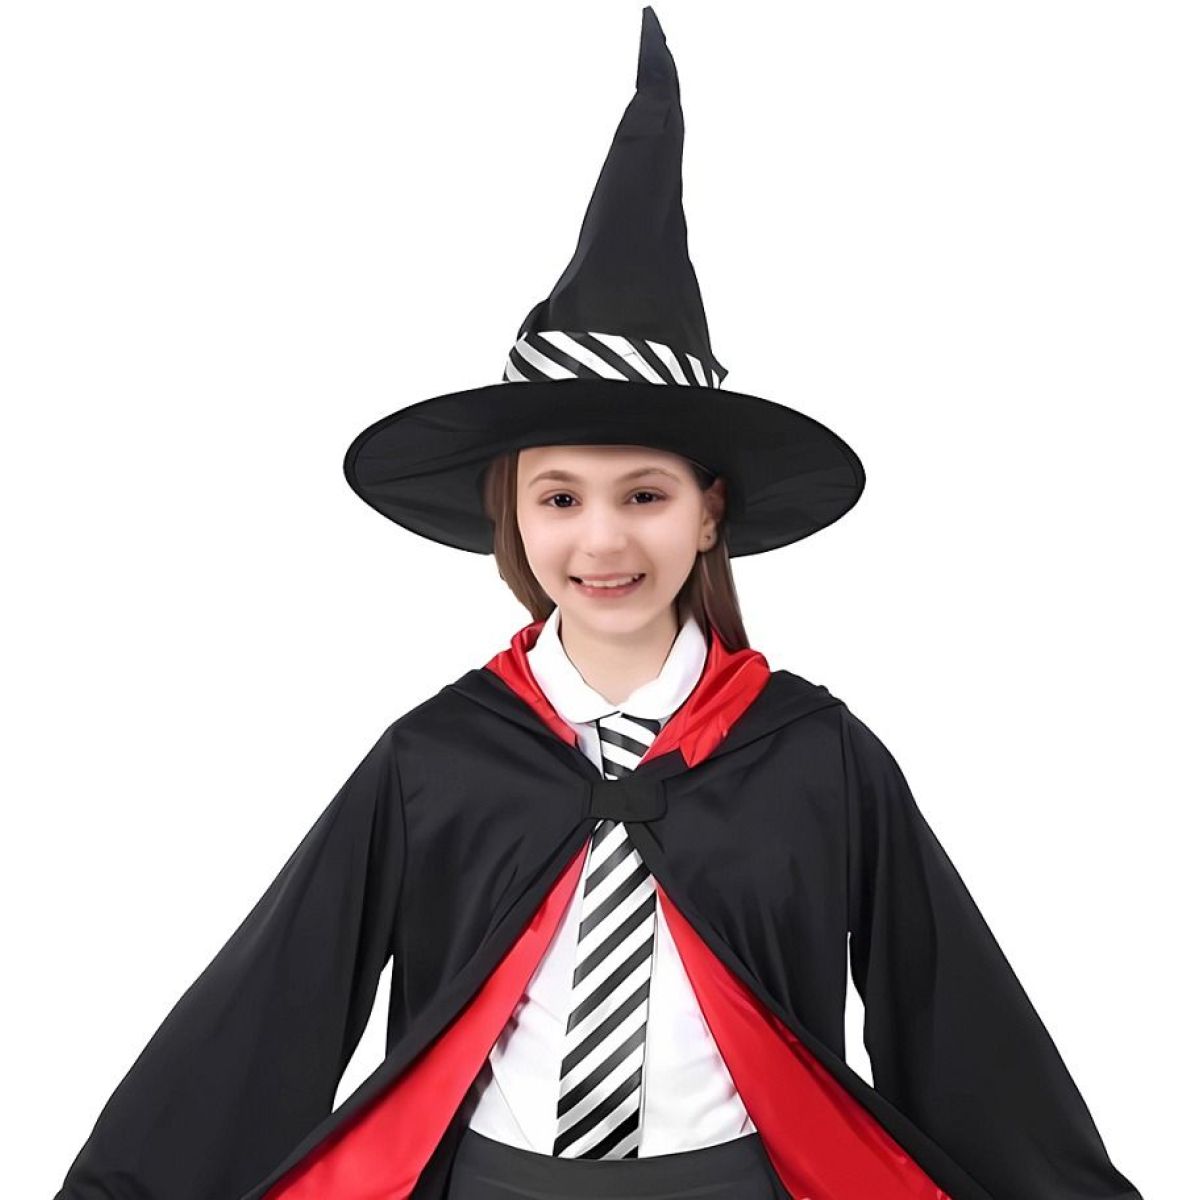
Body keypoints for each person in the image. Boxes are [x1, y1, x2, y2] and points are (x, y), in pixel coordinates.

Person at [53, 8, 1142, 1200]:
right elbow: (280, 998)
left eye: (646, 495)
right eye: (561, 497)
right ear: (512, 515)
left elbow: (955, 1018)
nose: (604, 540)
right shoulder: (436, 760)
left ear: (710, 513)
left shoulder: (813, 757)